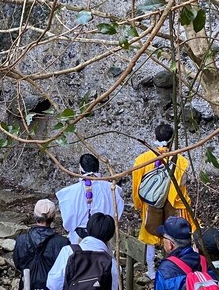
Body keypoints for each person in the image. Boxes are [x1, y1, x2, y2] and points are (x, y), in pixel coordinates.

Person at [132, 123, 196, 279]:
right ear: (172, 140)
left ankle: (152, 271)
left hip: (151, 205)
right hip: (174, 205)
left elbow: (137, 188)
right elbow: (183, 188)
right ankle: (179, 267)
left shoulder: (142, 160)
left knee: (150, 236)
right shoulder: (181, 161)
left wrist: (138, 205)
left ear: (154, 138)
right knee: (176, 237)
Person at [55, 153, 124, 244]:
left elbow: (68, 224)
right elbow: (117, 215)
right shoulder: (112, 189)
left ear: (80, 170)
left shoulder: (68, 193)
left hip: (77, 242)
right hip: (103, 241)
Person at [46, 212, 119, 290]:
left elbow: (53, 284)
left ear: (88, 229)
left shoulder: (68, 252)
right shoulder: (112, 264)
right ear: (110, 236)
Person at [13, 199, 70, 290]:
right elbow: (67, 269)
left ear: (35, 215)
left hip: (27, 283)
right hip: (52, 286)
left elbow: (18, 264)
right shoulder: (63, 242)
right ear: (53, 217)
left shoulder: (22, 239)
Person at [155, 216, 217, 290]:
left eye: (163, 237)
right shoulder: (205, 262)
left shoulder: (165, 270)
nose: (162, 241)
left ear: (170, 244)